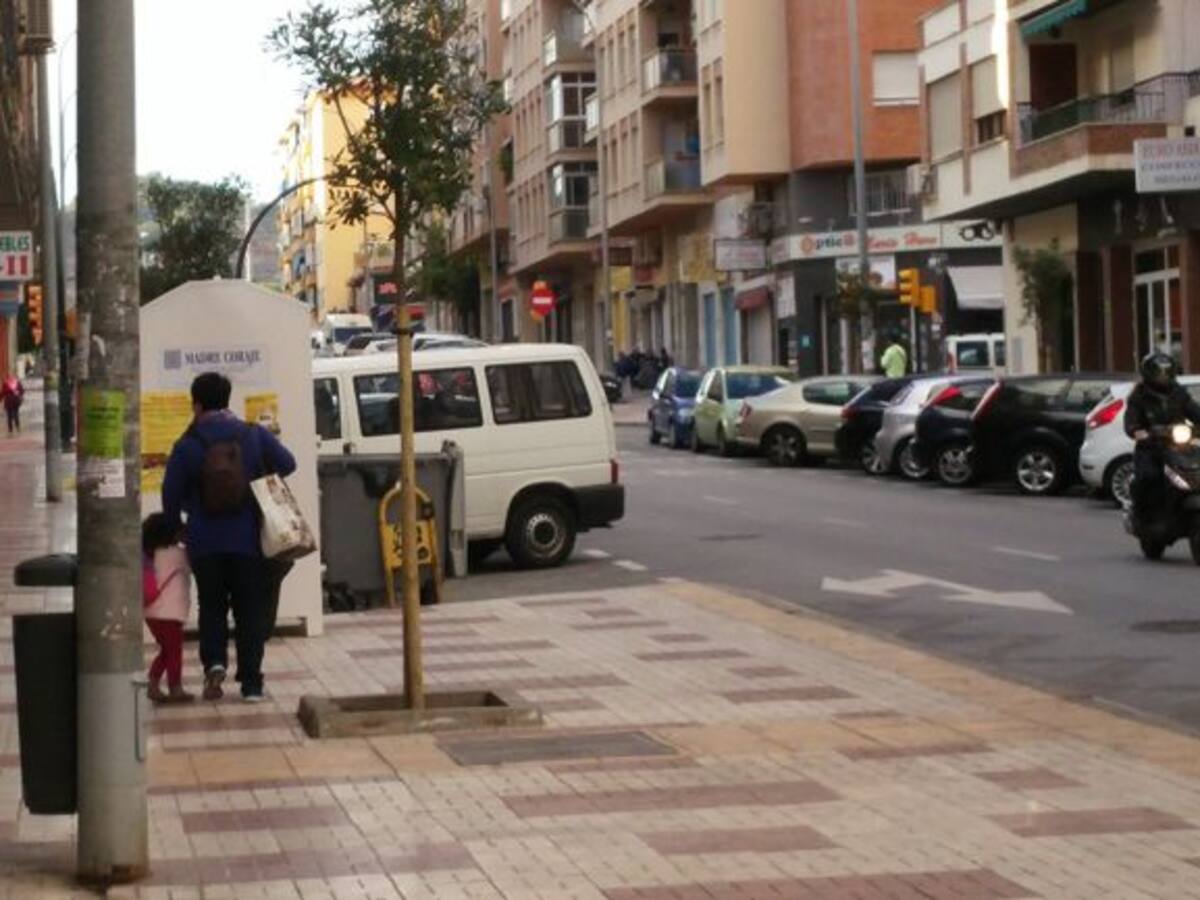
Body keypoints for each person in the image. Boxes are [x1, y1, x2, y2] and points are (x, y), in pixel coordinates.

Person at [162, 372, 296, 703]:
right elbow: (288, 463)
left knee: (212, 606)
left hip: (204, 541)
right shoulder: (251, 434)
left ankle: (215, 665)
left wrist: (179, 524)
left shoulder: (187, 444)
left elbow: (170, 495)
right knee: (249, 609)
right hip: (247, 539)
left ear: (196, 403)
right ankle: (251, 684)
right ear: (227, 398)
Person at [1124, 352, 1200, 525]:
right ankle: (1141, 514)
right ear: (1148, 373)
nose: (1163, 376)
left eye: (1167, 371)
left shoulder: (1179, 393)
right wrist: (1139, 432)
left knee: (1195, 471)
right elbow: (1131, 423)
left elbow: (1194, 412)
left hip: (1179, 447)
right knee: (1148, 476)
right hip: (1151, 448)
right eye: (1159, 372)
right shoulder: (1139, 396)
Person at [142, 513, 194, 704]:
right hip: (169, 614)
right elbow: (193, 563)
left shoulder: (149, 554)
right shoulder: (177, 554)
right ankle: (175, 687)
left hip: (152, 612)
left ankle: (153, 684)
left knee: (167, 650)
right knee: (174, 651)